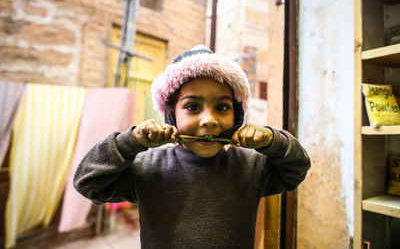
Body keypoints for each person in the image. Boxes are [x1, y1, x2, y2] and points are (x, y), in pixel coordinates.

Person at [74, 45, 311, 248]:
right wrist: (130, 141)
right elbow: (88, 182)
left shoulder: (251, 165)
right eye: (193, 107)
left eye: (222, 107)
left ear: (237, 117)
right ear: (171, 116)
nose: (209, 119)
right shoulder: (147, 167)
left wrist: (272, 140)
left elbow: (296, 169)